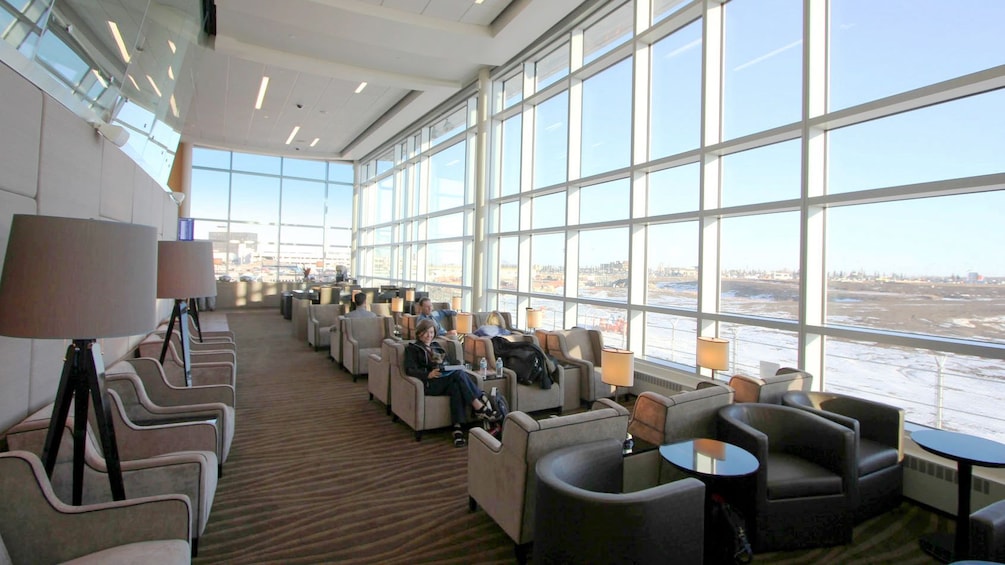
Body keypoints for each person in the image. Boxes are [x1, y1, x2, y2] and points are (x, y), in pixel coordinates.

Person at [404, 319, 497, 447]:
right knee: (458, 375)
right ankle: (479, 404)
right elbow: (410, 370)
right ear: (419, 333)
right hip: (430, 384)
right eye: (425, 332)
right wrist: (428, 374)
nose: (429, 335)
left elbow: (451, 362)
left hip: (444, 379)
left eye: (431, 332)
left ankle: (457, 429)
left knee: (456, 386)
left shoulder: (436, 346)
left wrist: (455, 365)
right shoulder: (413, 349)